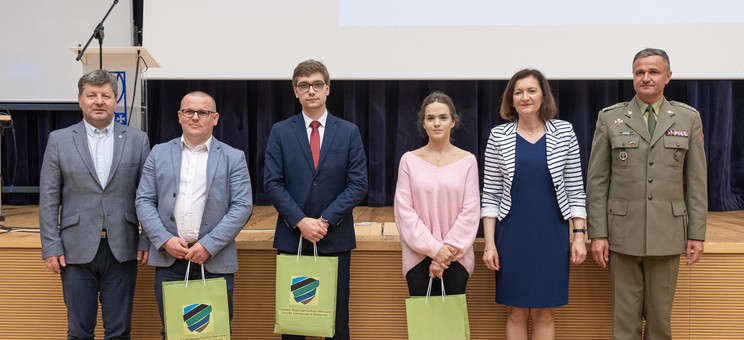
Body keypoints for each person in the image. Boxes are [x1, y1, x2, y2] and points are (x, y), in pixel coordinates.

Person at [586, 48, 707, 340]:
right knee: (624, 323)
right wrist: (598, 233)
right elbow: (597, 181)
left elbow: (697, 181)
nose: (646, 78)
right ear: (633, 77)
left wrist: (697, 233)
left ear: (668, 76)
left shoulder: (687, 118)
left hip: (667, 233)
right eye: (639, 72)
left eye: (653, 72)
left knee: (659, 323)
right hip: (622, 234)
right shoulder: (610, 118)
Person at [39, 69, 151, 339]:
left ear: (115, 101)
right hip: (74, 249)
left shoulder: (138, 140)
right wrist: (51, 245)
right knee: (79, 331)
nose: (98, 101)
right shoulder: (59, 139)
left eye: (105, 95)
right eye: (91, 95)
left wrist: (146, 240)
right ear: (80, 100)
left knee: (119, 330)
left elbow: (149, 196)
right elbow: (49, 197)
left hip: (123, 248)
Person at [264, 59, 368, 340]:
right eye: (304, 85)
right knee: (294, 325)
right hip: (292, 238)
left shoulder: (348, 132)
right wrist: (300, 221)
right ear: (295, 91)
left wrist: (323, 221)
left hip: (334, 238)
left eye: (317, 84)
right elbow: (272, 183)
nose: (311, 90)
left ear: (328, 89)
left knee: (336, 324)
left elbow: (358, 184)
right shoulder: (280, 131)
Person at [135, 91, 253, 338]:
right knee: (174, 332)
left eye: (203, 112)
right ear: (179, 116)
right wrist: (164, 240)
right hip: (170, 261)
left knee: (214, 333)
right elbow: (144, 200)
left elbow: (242, 206)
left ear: (215, 118)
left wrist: (208, 245)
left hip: (214, 261)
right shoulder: (158, 153)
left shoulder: (233, 157)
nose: (195, 117)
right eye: (189, 111)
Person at [481, 69, 587, 339]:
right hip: (511, 235)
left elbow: (576, 189)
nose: (525, 97)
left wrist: (578, 236)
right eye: (518, 92)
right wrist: (490, 244)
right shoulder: (498, 136)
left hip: (551, 234)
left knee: (545, 311)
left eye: (531, 91)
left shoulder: (564, 132)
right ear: (511, 99)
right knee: (515, 310)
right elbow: (491, 195)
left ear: (543, 96)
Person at [393, 91, 480, 297]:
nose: (436, 123)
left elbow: (470, 212)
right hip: (417, 257)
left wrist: (444, 254)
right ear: (423, 124)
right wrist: (434, 250)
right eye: (430, 118)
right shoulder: (409, 161)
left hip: (456, 257)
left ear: (452, 121)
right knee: (423, 327)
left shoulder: (468, 161)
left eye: (443, 117)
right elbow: (404, 212)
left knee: (452, 326)